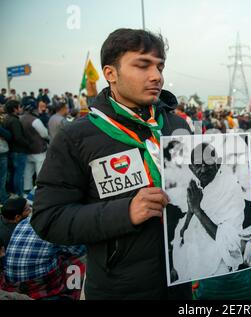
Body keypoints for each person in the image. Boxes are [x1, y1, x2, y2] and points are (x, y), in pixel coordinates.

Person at [30, 28, 193, 300]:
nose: (156, 76)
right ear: (110, 74)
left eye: (160, 66)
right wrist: (125, 212)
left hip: (180, 280)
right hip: (117, 288)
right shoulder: (77, 136)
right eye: (142, 65)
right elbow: (48, 218)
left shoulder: (177, 125)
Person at [171, 143, 250, 283]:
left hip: (218, 262)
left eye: (208, 163)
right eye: (198, 165)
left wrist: (198, 210)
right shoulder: (195, 187)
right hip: (192, 255)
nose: (203, 169)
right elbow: (183, 232)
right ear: (191, 167)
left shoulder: (231, 188)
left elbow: (231, 244)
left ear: (218, 163)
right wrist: (190, 212)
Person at [1, 216, 86, 300]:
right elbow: (80, 250)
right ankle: (73, 295)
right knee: (80, 260)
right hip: (36, 284)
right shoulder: (61, 223)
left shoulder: (24, 221)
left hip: (11, 282)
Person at [3, 100, 30, 197]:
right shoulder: (14, 120)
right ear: (15, 109)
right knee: (19, 175)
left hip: (12, 150)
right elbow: (18, 137)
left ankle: (14, 193)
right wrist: (28, 144)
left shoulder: (7, 118)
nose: (21, 108)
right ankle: (19, 195)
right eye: (19, 107)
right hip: (18, 151)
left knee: (13, 174)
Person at [20, 101, 48, 194]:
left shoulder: (21, 118)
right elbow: (44, 134)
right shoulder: (35, 120)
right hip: (38, 150)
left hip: (27, 149)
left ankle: (27, 190)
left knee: (28, 172)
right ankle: (40, 191)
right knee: (40, 172)